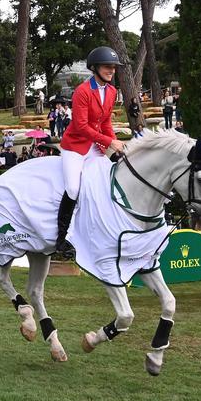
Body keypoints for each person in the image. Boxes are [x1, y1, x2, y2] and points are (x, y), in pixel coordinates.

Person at [56, 46, 127, 255]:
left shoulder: (112, 91)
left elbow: (105, 123)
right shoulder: (83, 91)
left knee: (108, 183)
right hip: (75, 147)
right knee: (73, 189)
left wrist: (114, 143)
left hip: (95, 147)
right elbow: (81, 126)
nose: (111, 70)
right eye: (107, 66)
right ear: (94, 68)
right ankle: (61, 240)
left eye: (113, 67)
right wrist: (108, 141)